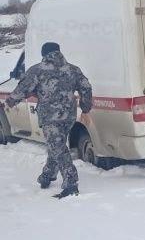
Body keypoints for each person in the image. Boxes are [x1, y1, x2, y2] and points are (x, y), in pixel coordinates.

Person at [1, 42, 92, 198]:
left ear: (44, 54)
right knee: (57, 144)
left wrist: (9, 102)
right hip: (69, 116)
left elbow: (22, 89)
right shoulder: (73, 69)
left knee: (57, 146)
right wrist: (85, 108)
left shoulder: (37, 70)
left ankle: (71, 183)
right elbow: (86, 87)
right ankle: (47, 176)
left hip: (50, 118)